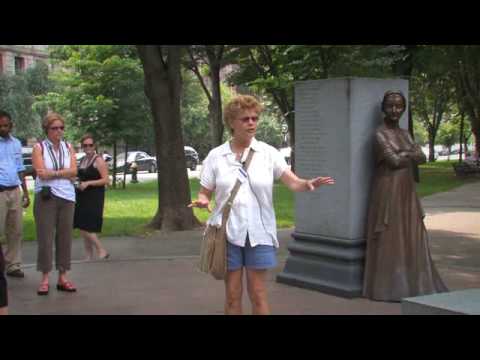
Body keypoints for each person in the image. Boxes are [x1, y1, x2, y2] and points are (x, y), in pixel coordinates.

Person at [189, 95, 335, 315]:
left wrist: (307, 184)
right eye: (245, 119)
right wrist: (202, 200)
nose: (251, 123)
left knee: (258, 294)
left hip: (260, 232)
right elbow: (205, 191)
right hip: (228, 234)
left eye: (255, 118)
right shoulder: (216, 156)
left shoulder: (268, 153)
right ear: (231, 123)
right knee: (232, 295)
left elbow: (292, 182)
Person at [363, 91, 448, 302]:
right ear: (383, 107)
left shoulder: (406, 133)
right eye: (391, 106)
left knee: (410, 231)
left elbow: (422, 157)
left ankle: (412, 282)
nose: (395, 110)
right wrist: (409, 154)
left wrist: (406, 154)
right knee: (391, 233)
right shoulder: (379, 134)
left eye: (399, 106)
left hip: (406, 188)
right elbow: (393, 161)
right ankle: (388, 286)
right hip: (388, 188)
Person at [32, 112, 78, 295]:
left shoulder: (69, 147)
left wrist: (55, 173)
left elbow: (74, 171)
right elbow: (41, 173)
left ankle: (63, 277)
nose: (58, 131)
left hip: (67, 196)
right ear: (46, 130)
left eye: (61, 128)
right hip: (47, 197)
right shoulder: (39, 148)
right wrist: (63, 173)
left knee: (65, 237)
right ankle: (44, 278)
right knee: (45, 237)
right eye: (54, 128)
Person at [0, 110, 30, 280]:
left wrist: (25, 192)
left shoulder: (16, 143)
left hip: (14, 190)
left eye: (7, 125)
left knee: (16, 230)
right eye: (1, 126)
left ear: (11, 125)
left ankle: (13, 264)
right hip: (0, 191)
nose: (4, 129)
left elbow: (20, 168)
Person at [73, 134, 109, 261]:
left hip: (94, 196)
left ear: (95, 146)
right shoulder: (83, 160)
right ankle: (88, 256)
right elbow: (80, 176)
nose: (88, 147)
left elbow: (106, 180)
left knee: (85, 226)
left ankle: (101, 249)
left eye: (90, 145)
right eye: (85, 145)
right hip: (82, 195)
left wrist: (88, 183)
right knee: (83, 225)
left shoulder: (98, 160)